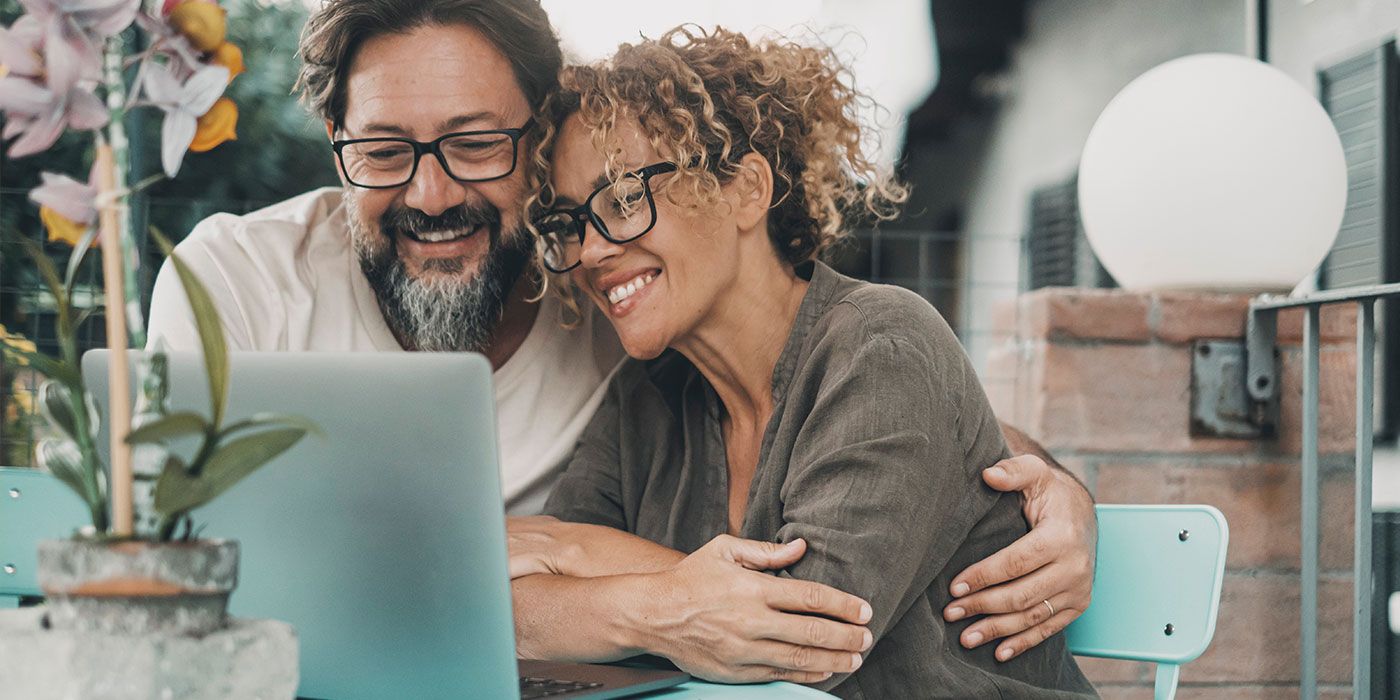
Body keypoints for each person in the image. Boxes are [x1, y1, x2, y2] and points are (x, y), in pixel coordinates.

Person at [144, 0, 1096, 678]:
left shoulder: (833, 338)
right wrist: (669, 600)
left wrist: (1060, 490)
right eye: (386, 151)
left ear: (745, 188)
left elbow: (807, 619)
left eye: (475, 144)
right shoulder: (651, 376)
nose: (594, 249)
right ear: (335, 142)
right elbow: (490, 589)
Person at [508, 27, 1097, 697]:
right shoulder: (646, 398)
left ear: (745, 191)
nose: (588, 253)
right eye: (571, 223)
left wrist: (574, 552)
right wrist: (644, 604)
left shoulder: (883, 344)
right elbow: (510, 602)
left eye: (622, 199)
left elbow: (803, 635)